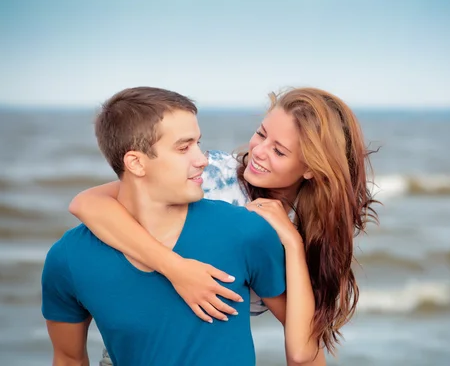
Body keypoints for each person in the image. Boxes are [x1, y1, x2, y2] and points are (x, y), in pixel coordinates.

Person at [70, 87, 379, 365]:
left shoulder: (307, 230)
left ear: (312, 168)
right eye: (261, 134)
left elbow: (302, 352)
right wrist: (175, 269)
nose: (258, 151)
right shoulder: (213, 176)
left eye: (279, 151)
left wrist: (293, 243)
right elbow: (86, 203)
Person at [42, 87, 287, 366]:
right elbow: (68, 358)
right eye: (184, 148)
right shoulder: (68, 258)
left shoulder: (245, 230)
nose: (202, 159)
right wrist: (175, 268)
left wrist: (292, 241)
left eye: (198, 143)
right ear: (135, 162)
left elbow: (303, 340)